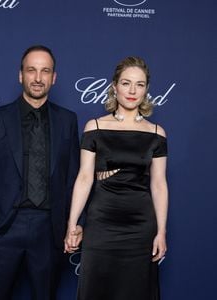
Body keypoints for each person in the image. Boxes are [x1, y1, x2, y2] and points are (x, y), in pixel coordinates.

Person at [0, 45, 82, 300]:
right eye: (31, 70)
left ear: (54, 77)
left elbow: (74, 178)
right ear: (21, 75)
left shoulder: (68, 121)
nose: (38, 78)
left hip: (49, 230)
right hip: (3, 229)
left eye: (45, 71)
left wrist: (75, 224)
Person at [64, 56, 168, 300]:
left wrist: (161, 231)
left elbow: (159, 184)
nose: (132, 91)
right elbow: (84, 177)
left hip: (141, 226)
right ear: (114, 86)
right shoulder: (95, 127)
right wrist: (72, 224)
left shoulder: (156, 133)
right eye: (126, 83)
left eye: (140, 84)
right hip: (101, 223)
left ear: (146, 89)